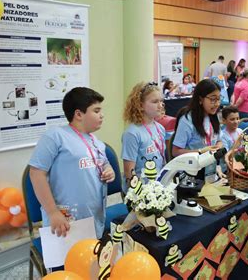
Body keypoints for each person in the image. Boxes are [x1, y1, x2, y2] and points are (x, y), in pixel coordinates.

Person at [29, 87, 115, 238]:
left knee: (91, 257)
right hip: (65, 220)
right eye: (96, 111)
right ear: (79, 114)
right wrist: (52, 212)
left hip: (93, 217)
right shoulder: (55, 136)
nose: (102, 115)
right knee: (70, 260)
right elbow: (36, 174)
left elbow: (104, 163)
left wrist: (109, 170)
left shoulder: (96, 141)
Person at [172, 79, 224, 179]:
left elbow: (219, 140)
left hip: (210, 172)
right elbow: (175, 151)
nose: (217, 104)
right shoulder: (187, 120)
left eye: (219, 99)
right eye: (213, 99)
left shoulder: (213, 116)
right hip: (192, 173)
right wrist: (200, 151)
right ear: (200, 99)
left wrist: (218, 146)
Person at [122, 82, 166, 185]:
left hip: (157, 186)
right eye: (155, 102)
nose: (160, 105)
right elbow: (129, 172)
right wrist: (140, 194)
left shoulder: (160, 128)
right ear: (140, 105)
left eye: (161, 101)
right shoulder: (132, 133)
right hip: (139, 191)